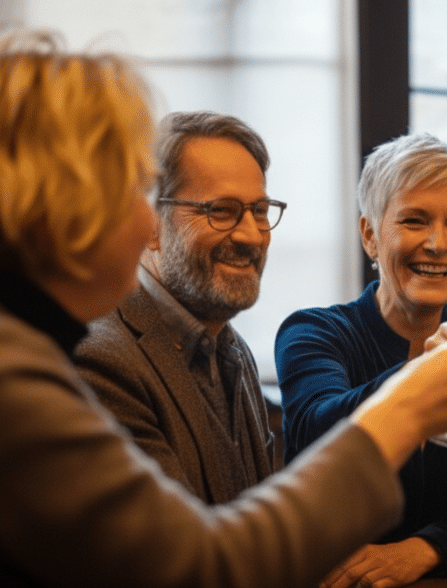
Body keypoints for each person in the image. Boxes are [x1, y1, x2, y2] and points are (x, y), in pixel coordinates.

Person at [0, 27, 447, 587]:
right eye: (134, 190)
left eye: (258, 210)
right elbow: (203, 569)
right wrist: (405, 407)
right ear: (54, 196)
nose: (143, 225)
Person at [275, 132, 447, 587]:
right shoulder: (312, 332)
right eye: (415, 220)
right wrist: (420, 377)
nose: (438, 244)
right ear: (370, 235)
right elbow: (317, 433)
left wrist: (425, 550)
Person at [74, 111, 283, 504]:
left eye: (259, 211)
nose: (252, 236)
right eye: (221, 210)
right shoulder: (101, 361)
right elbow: (187, 557)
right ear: (150, 223)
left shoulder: (232, 349)